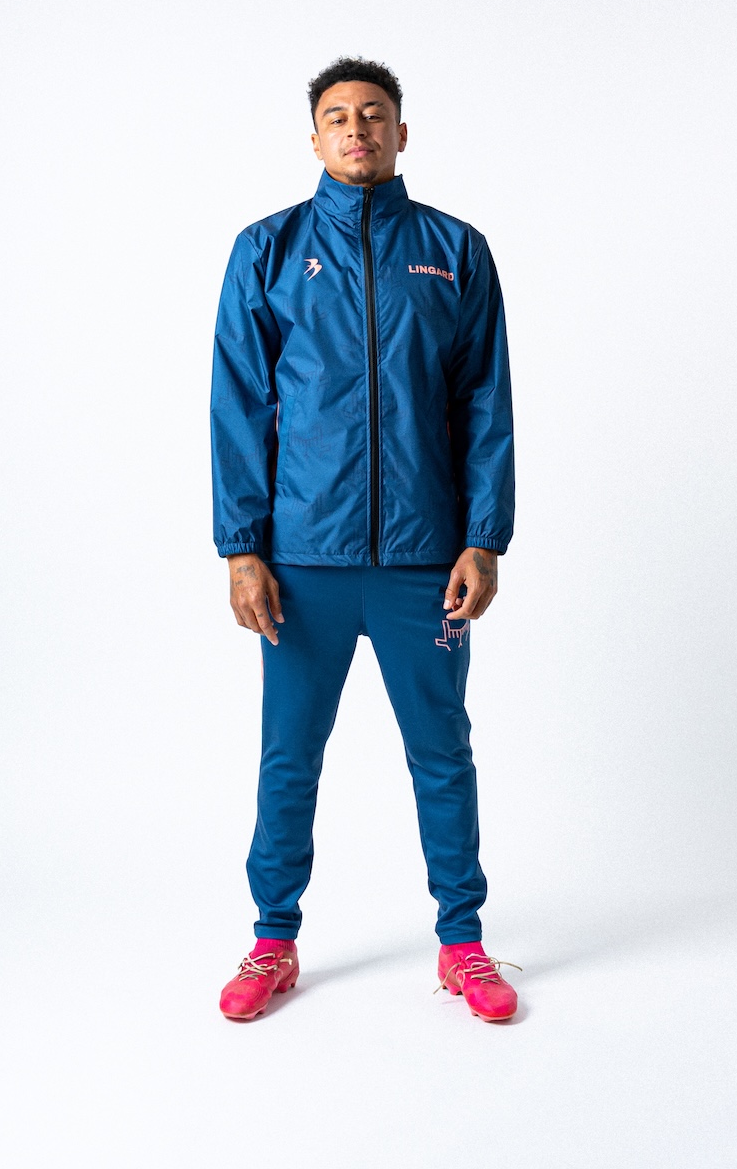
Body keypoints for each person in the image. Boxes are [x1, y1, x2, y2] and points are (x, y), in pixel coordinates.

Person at [210, 57, 519, 1023]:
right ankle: (272, 938)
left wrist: (483, 537)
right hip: (301, 560)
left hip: (424, 562)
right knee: (288, 756)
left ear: (400, 133)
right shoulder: (267, 249)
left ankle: (462, 944)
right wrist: (241, 548)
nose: (357, 129)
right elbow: (239, 403)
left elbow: (484, 403)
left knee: (442, 753)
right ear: (314, 139)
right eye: (338, 116)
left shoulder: (454, 250)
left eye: (373, 114)